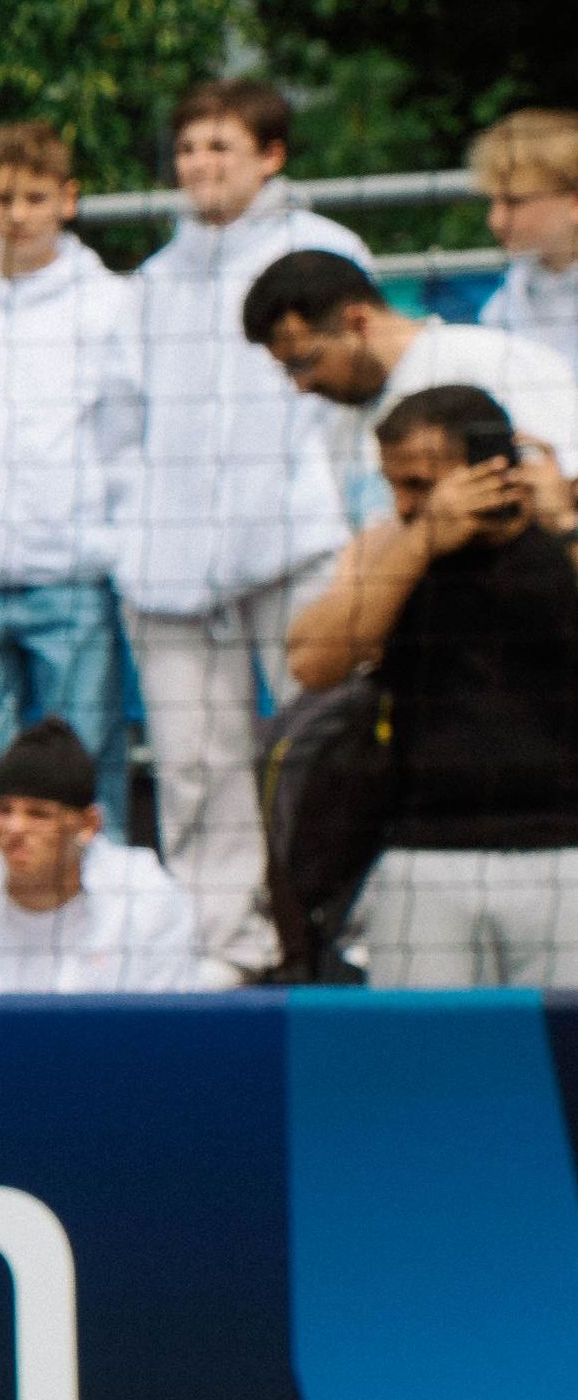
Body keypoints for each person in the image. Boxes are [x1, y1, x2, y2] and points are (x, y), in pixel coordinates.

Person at [125, 74, 378, 974]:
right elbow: (124, 421)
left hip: (298, 541)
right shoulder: (152, 279)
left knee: (326, 747)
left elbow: (357, 401)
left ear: (270, 155)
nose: (198, 164)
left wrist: (356, 531)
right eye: (187, 147)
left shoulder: (327, 251)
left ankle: (343, 931)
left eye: (219, 146)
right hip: (169, 559)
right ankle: (225, 948)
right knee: (196, 768)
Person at [284, 383, 578, 986]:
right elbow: (313, 665)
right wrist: (419, 543)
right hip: (424, 852)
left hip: (565, 851)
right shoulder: (391, 547)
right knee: (419, 1068)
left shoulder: (561, 540)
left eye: (420, 484)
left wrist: (566, 525)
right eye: (394, 484)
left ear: (491, 468)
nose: (404, 503)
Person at [0, 120, 143, 848]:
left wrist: (107, 539)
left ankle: (98, 913)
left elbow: (122, 437)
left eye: (35, 196)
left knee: (81, 757)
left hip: (69, 568)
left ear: (67, 200)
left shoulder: (108, 303)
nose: (17, 213)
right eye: (1, 196)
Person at [0, 720, 206, 994]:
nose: (15, 828)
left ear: (89, 824)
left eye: (39, 815)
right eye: (4, 810)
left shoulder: (148, 902)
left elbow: (170, 1043)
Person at [247, 243, 578, 466]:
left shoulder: (493, 362)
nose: (301, 385)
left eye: (305, 362)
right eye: (288, 371)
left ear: (358, 322)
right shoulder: (341, 423)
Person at [464, 108, 578, 359]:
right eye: (492, 202)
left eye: (514, 202)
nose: (495, 220)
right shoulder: (506, 297)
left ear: (574, 203)